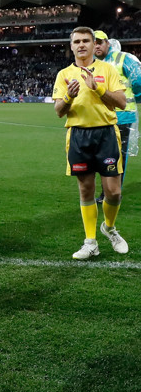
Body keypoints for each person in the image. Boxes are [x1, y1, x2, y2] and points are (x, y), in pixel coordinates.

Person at [52, 26, 128, 260]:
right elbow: (58, 111)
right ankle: (90, 242)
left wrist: (99, 88)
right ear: (72, 46)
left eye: (86, 40)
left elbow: (122, 103)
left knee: (113, 192)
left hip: (106, 134)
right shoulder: (64, 74)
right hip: (78, 136)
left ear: (95, 44)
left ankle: (110, 228)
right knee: (86, 189)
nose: (82, 45)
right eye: (77, 41)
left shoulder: (107, 70)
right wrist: (68, 97)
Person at [93, 30, 141, 200]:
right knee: (105, 156)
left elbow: (138, 81)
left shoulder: (122, 58)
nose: (96, 45)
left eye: (100, 42)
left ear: (108, 43)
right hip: (101, 117)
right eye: (94, 42)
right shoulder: (95, 63)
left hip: (122, 116)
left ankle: (111, 192)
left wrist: (136, 97)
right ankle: (108, 191)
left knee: (116, 156)